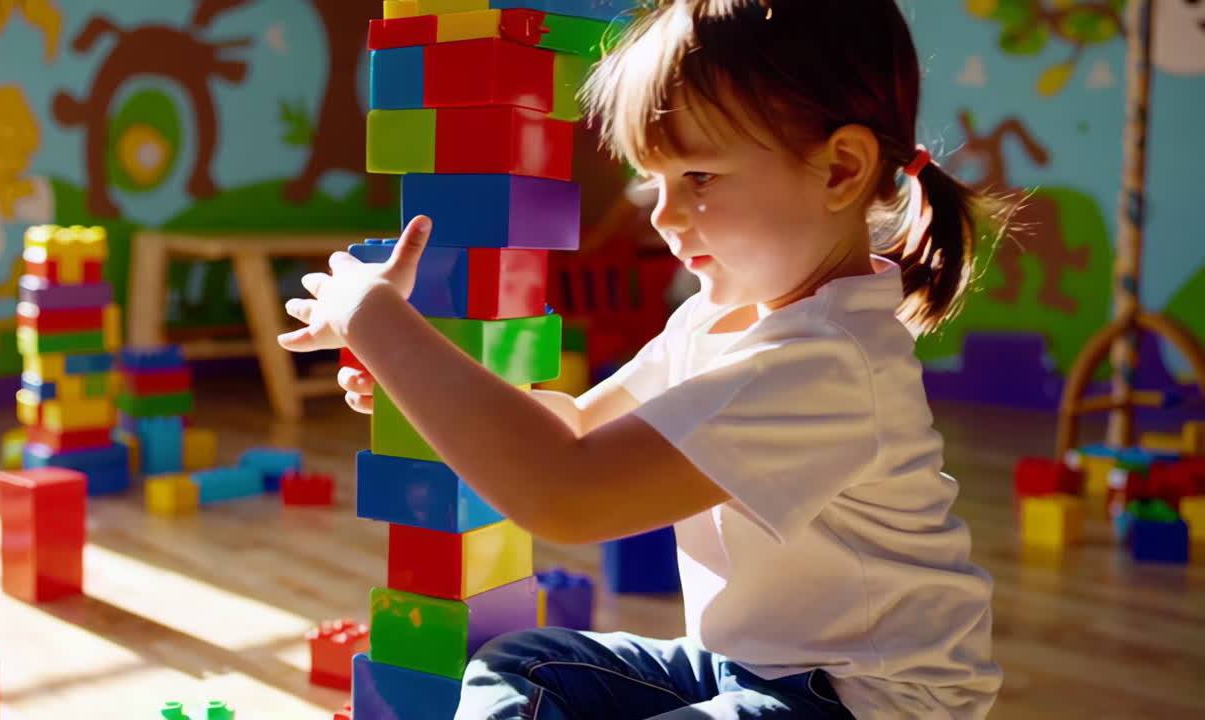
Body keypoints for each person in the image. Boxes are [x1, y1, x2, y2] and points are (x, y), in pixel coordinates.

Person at [278, 1, 1010, 717]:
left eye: (698, 177)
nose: (661, 215)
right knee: (523, 666)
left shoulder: (829, 366)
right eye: (651, 181)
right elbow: (574, 423)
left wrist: (376, 320)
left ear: (840, 169)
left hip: (863, 701)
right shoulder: (710, 318)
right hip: (745, 666)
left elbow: (567, 492)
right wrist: (419, 386)